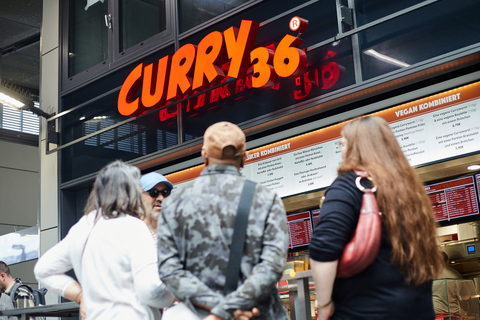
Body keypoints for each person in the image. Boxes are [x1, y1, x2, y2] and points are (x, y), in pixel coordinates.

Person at [309, 116, 444, 320]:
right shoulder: (410, 188)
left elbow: (322, 248)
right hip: (419, 310)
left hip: (366, 311)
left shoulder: (351, 184)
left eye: (343, 144)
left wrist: (325, 304)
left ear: (357, 148)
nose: (342, 151)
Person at [157, 121, 289, 320]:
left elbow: (169, 269)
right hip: (260, 314)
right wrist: (232, 307)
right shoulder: (266, 198)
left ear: (204, 155)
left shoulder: (174, 204)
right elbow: (273, 265)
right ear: (244, 157)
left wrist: (218, 310)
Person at [34, 160, 175, 320]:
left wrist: (80, 295)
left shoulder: (81, 228)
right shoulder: (133, 226)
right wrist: (174, 295)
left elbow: (43, 270)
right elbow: (151, 291)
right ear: (131, 192)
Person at [140, 172, 173, 241]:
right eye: (154, 193)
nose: (161, 198)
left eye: (165, 193)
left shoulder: (176, 230)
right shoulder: (131, 231)